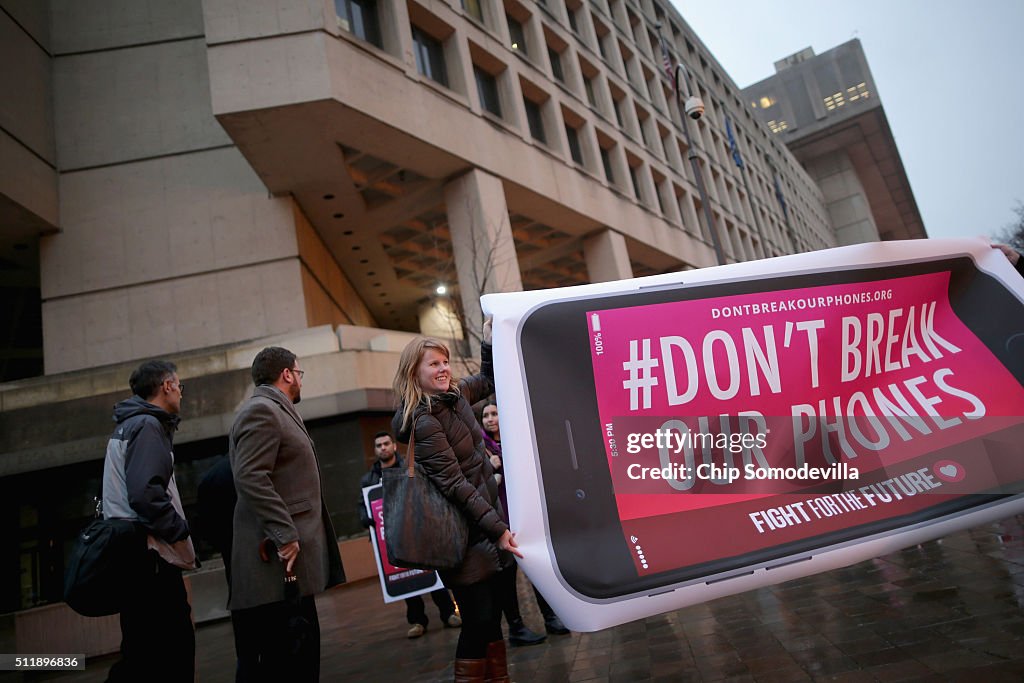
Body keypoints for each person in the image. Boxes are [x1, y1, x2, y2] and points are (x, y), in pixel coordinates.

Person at [391, 326, 521, 683]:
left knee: (491, 619)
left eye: (445, 361)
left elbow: (490, 378)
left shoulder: (456, 396)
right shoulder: (425, 418)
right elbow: (454, 484)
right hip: (463, 537)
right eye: (433, 364)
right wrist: (498, 529)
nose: (443, 368)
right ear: (414, 373)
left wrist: (488, 342)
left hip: (485, 528)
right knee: (477, 623)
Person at [229, 346, 346, 682]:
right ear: (287, 374)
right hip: (279, 569)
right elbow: (250, 476)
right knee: (290, 663)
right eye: (299, 372)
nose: (299, 380)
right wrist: (286, 534)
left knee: (303, 657)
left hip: (289, 571)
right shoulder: (262, 412)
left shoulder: (276, 409)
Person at [102, 359, 196, 682]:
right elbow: (145, 494)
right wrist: (179, 530)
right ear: (167, 386)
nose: (181, 394)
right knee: (173, 649)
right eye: (179, 386)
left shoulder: (129, 425)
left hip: (133, 559)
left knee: (141, 653)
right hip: (150, 559)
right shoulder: (147, 426)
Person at [479, 401, 570, 643]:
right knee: (506, 577)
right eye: (486, 415)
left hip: (523, 518)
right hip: (500, 522)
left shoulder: (514, 442)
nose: (490, 419)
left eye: (495, 413)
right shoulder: (479, 450)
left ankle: (550, 617)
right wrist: (491, 471)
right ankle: (516, 628)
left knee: (536, 570)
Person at [357, 430, 463, 638]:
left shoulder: (410, 467)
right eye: (379, 446)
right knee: (405, 580)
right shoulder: (369, 479)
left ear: (394, 446)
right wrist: (365, 517)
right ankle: (417, 621)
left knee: (432, 574)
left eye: (386, 444)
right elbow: (363, 504)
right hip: (392, 537)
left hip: (418, 532)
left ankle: (448, 613)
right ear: (375, 450)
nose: (383, 448)